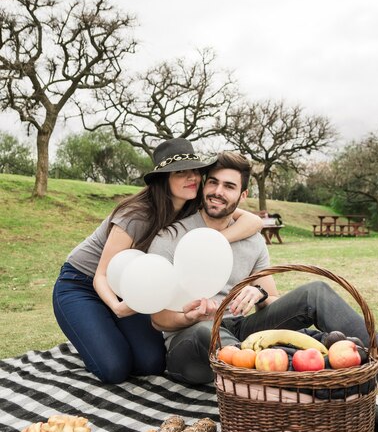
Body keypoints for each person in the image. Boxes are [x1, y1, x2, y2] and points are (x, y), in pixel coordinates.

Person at [149, 151, 378, 432]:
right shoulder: (173, 236)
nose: (218, 192)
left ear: (243, 194)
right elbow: (158, 319)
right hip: (189, 345)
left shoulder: (251, 241)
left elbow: (272, 300)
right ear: (203, 186)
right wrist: (190, 316)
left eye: (229, 186)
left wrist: (259, 294)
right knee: (210, 330)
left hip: (238, 328)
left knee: (314, 292)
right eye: (213, 183)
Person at [52, 138, 263, 384]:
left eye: (195, 170)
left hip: (134, 287)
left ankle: (106, 333)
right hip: (83, 284)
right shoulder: (136, 215)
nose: (192, 177)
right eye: (181, 173)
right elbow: (101, 275)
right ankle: (96, 333)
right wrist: (117, 308)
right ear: (165, 178)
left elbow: (254, 221)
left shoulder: (193, 203)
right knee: (114, 368)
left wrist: (213, 242)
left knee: (151, 363)